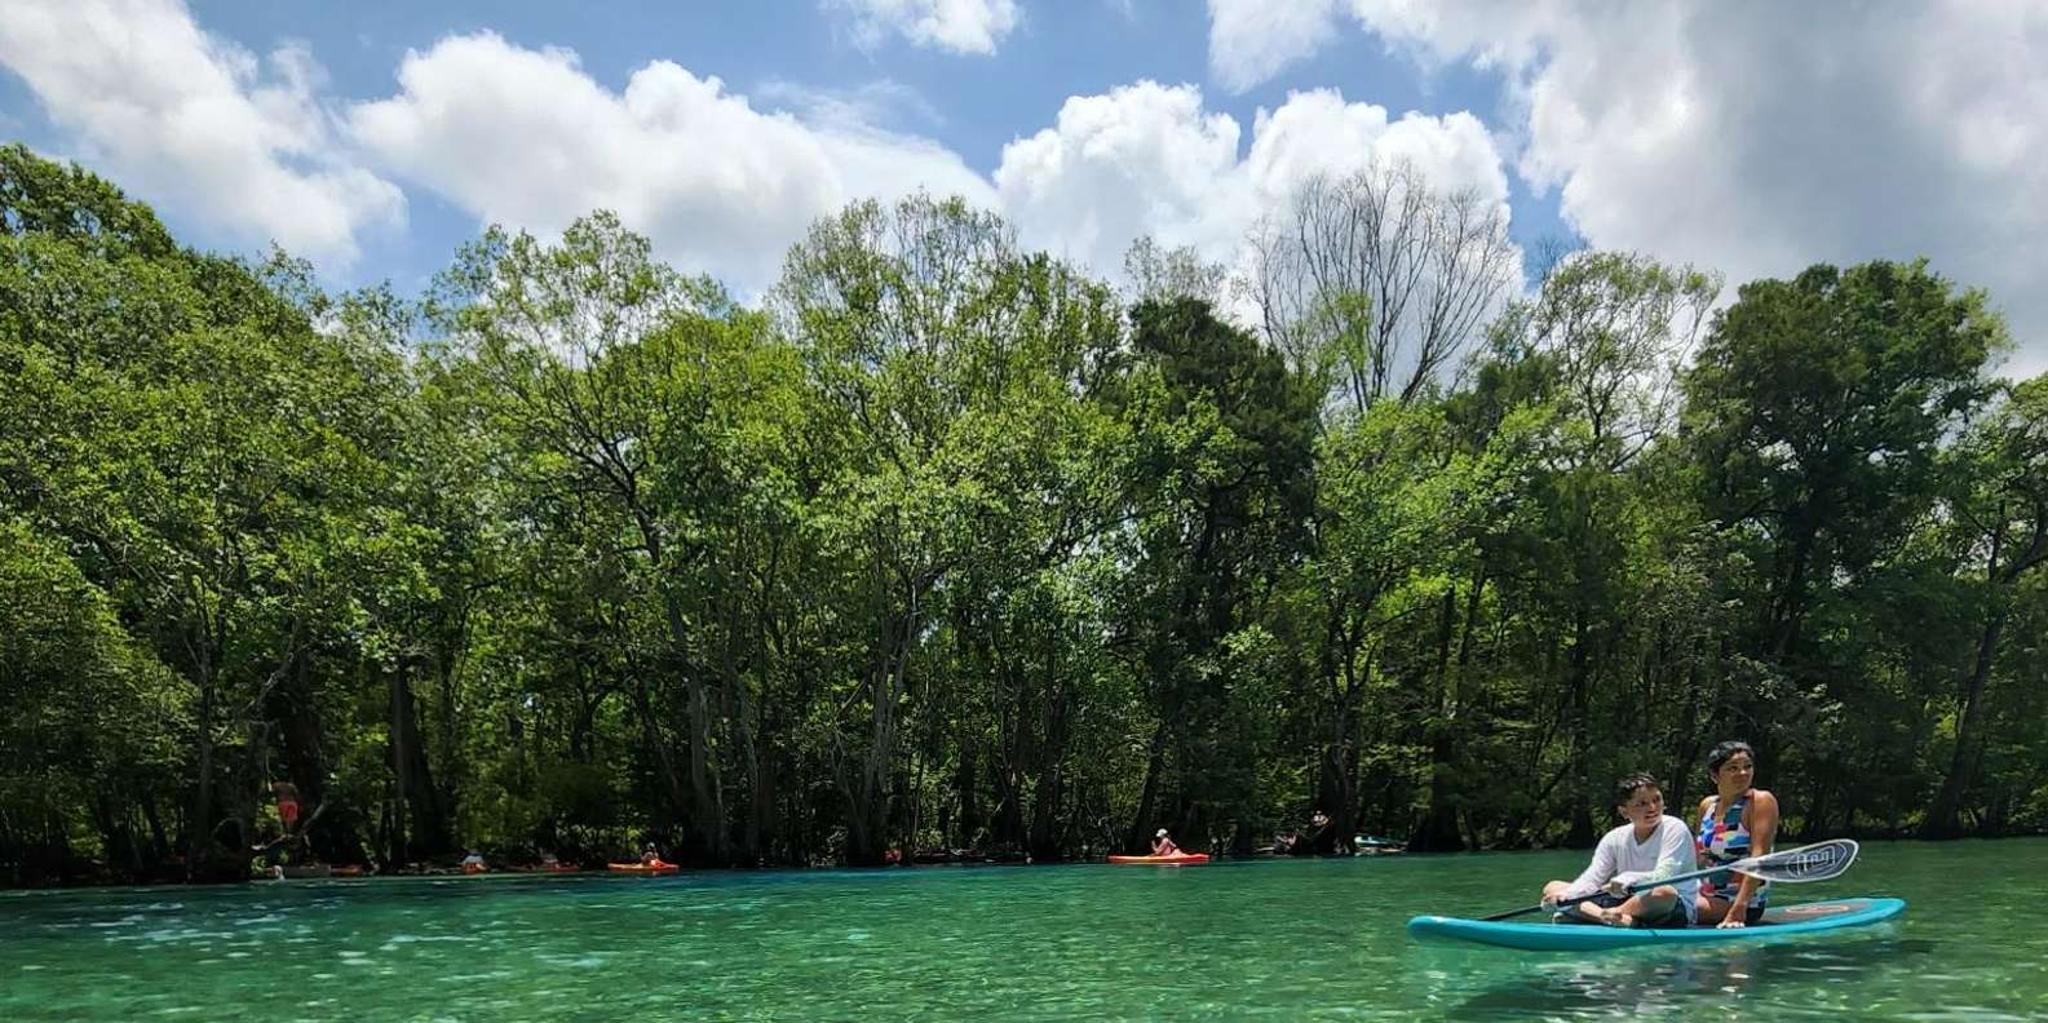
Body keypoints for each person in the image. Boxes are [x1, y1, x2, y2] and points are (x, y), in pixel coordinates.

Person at [1540, 773, 1699, 928]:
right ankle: (1613, 918)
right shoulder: (1614, 837)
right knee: (1553, 887)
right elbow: (1593, 879)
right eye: (1641, 804)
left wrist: (1629, 878)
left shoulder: (1675, 828)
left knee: (1663, 892)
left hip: (1668, 904)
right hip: (1625, 901)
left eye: (1657, 800)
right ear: (1624, 812)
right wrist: (1566, 897)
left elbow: (1664, 876)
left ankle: (1596, 916)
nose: (1652, 808)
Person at [1694, 740, 1778, 928]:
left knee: (1671, 906)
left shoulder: (1760, 801)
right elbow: (1696, 858)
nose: (1743, 773)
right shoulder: (1707, 805)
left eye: (1747, 767)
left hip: (1741, 902)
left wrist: (1739, 909)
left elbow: (1759, 858)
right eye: (1732, 768)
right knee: (1660, 896)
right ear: (1715, 775)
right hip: (1704, 894)